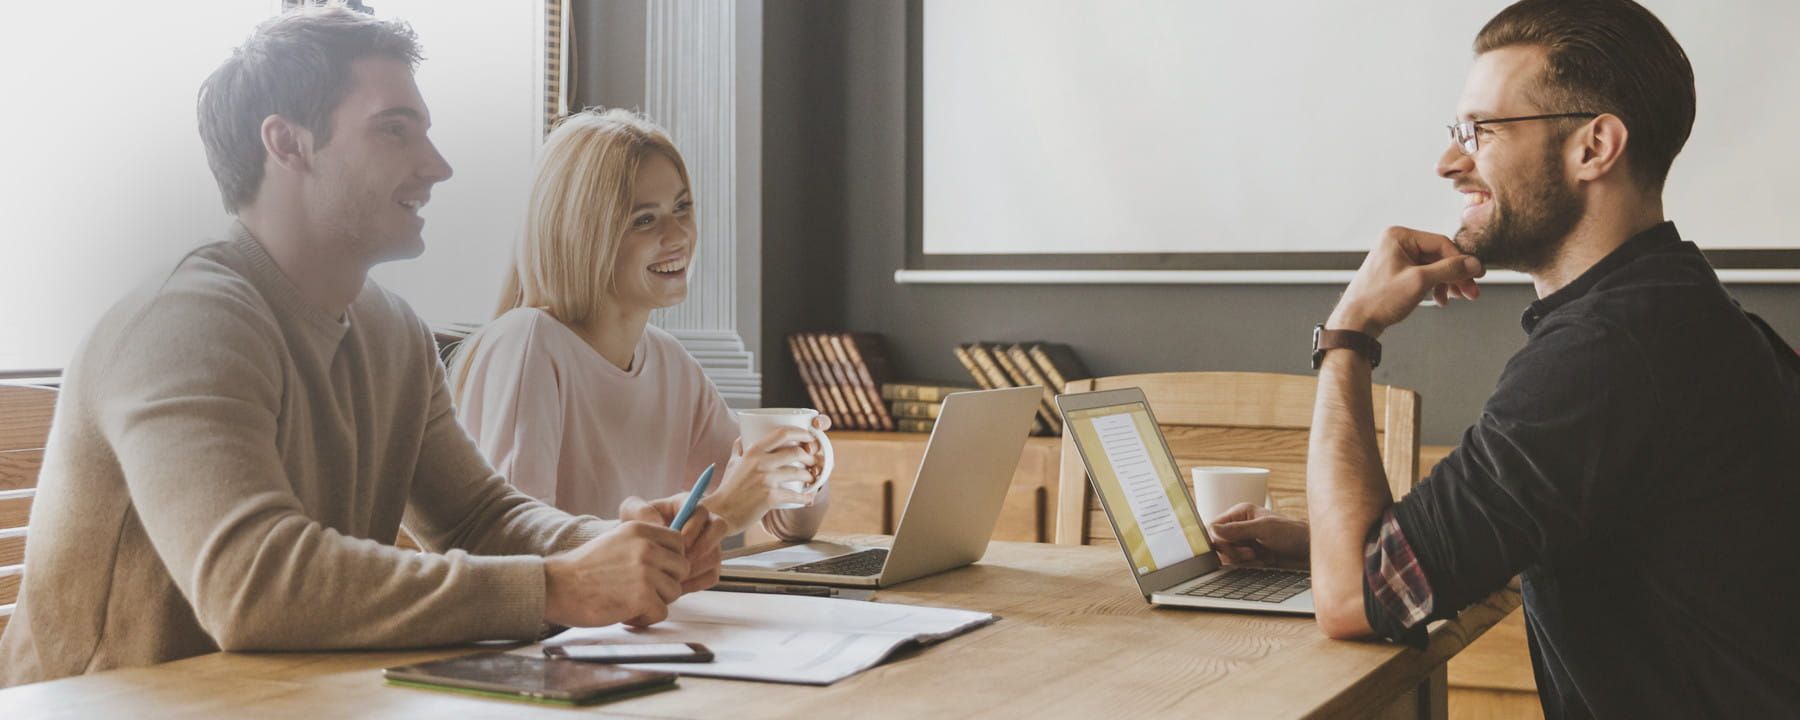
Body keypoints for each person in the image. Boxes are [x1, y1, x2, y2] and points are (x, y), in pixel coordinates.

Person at [0, 6, 730, 688]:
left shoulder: (389, 328)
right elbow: (252, 584)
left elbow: (479, 518)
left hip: (287, 699)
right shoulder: (181, 324)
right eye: (395, 131)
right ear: (287, 143)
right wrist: (560, 586)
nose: (437, 165)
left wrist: (616, 546)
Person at [1208, 0, 1800, 716]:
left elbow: (1352, 601)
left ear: (1594, 147)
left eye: (1480, 132)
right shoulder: (1675, 314)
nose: (1450, 162)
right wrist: (1325, 543)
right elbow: (1562, 536)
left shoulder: (1604, 353)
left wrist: (1348, 334)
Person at [448, 109, 829, 541]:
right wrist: (724, 510)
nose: (679, 235)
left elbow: (785, 524)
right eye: (644, 219)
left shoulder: (669, 362)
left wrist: (803, 470)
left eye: (682, 207)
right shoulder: (529, 342)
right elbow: (520, 552)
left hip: (643, 611)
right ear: (581, 234)